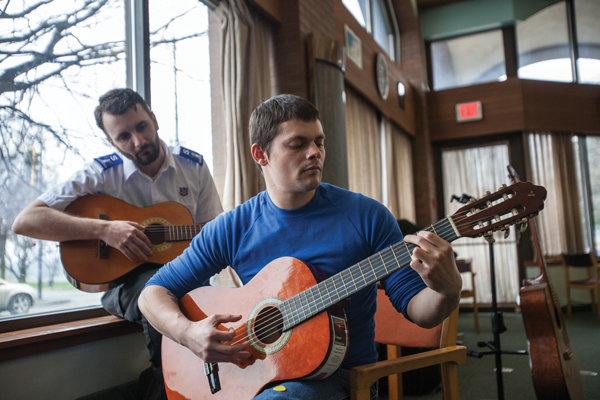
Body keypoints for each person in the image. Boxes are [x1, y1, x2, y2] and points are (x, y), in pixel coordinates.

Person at [138, 94, 462, 399]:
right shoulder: (233, 226)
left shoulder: (367, 216)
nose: (315, 153)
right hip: (258, 375)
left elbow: (417, 310)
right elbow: (153, 293)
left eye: (319, 142)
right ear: (260, 154)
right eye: (298, 144)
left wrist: (446, 291)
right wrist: (188, 334)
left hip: (341, 379)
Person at [12, 88, 223, 400]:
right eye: (123, 136)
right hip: (121, 282)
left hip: (184, 273)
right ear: (111, 142)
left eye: (141, 127)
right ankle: (164, 384)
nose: (138, 142)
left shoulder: (193, 166)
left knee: (209, 300)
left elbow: (212, 230)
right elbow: (26, 221)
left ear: (154, 120)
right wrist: (104, 230)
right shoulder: (100, 173)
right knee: (160, 291)